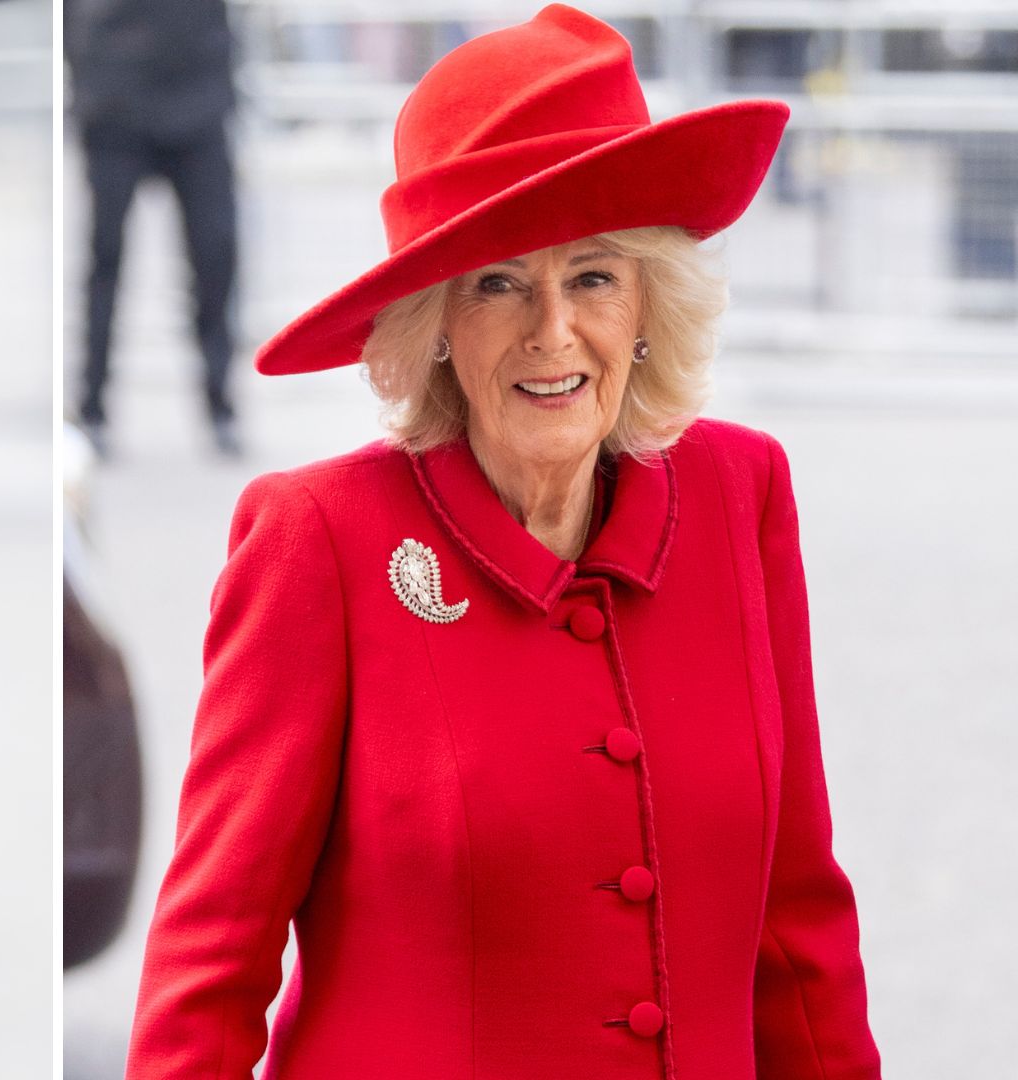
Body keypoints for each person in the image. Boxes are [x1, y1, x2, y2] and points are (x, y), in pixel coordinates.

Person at [124, 6, 881, 1078]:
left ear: (650, 302)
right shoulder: (321, 541)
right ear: (432, 320)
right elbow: (212, 960)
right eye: (498, 282)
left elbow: (798, 921)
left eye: (594, 277)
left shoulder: (738, 493)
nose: (552, 332)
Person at [65, 0, 241, 458]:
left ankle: (221, 406)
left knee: (215, 259)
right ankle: (92, 410)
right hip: (113, 105)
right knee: (105, 265)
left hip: (199, 98)